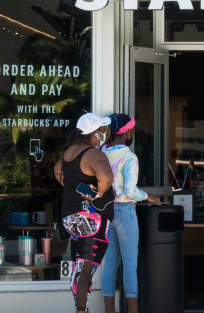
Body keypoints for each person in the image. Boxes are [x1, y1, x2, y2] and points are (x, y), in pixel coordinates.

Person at [54, 113, 115, 313]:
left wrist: (76, 187)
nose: (105, 134)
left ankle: (81, 309)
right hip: (90, 219)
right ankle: (81, 311)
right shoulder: (95, 154)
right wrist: (96, 194)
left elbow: (57, 171)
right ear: (95, 133)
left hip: (70, 218)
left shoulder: (69, 152)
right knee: (85, 273)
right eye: (103, 130)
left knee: (78, 271)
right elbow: (106, 178)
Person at [101, 114, 161, 313]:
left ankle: (109, 310)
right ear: (128, 132)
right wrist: (148, 196)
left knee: (109, 264)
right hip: (125, 211)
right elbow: (130, 190)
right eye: (133, 130)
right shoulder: (129, 157)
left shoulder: (101, 153)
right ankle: (133, 311)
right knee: (129, 264)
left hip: (106, 211)